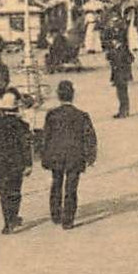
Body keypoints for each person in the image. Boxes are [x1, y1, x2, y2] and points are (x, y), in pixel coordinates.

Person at [40, 80, 97, 230]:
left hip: (56, 154)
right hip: (75, 155)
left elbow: (45, 137)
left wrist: (44, 155)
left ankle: (56, 214)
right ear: (73, 95)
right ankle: (68, 219)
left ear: (58, 96)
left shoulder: (51, 114)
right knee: (71, 187)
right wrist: (91, 156)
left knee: (56, 183)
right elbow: (90, 137)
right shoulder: (82, 115)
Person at [0, 101, 33, 234]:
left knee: (3, 193)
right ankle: (13, 217)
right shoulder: (22, 126)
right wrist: (28, 164)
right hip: (16, 163)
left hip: (0, 163)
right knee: (15, 191)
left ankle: (8, 222)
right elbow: (26, 146)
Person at [107, 40, 134, 119]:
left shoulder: (124, 49)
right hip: (117, 76)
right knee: (120, 94)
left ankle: (124, 111)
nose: (113, 42)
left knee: (123, 94)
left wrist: (124, 66)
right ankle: (123, 110)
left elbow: (131, 59)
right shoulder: (113, 50)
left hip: (123, 75)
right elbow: (109, 58)